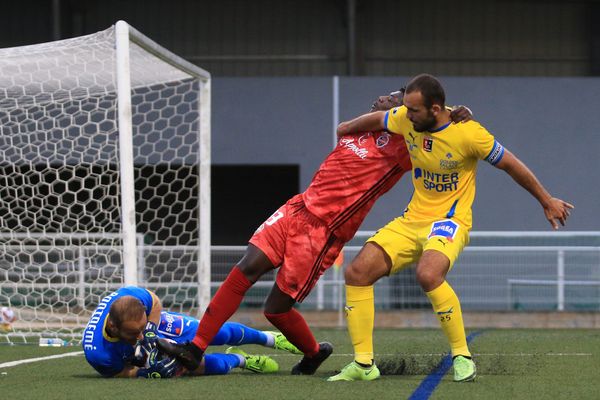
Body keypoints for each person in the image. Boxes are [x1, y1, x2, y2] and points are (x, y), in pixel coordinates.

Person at [158, 92, 474, 376]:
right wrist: (378, 118)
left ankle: (313, 353)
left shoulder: (407, 147)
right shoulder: (361, 130)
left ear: (408, 112)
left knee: (275, 309)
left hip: (323, 232)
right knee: (247, 267)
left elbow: (441, 130)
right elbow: (341, 128)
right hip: (298, 207)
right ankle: (195, 348)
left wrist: (454, 113)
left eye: (393, 97)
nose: (382, 97)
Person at [327, 74, 574, 383]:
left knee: (428, 274)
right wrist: (346, 128)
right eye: (406, 108)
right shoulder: (407, 118)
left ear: (435, 108)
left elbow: (511, 164)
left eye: (414, 110)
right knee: (357, 272)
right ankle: (364, 365)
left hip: (449, 221)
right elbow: (379, 117)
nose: (407, 114)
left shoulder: (469, 133)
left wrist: (546, 199)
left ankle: (462, 356)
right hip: (411, 220)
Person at [82, 286, 300, 378]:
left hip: (159, 324)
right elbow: (119, 372)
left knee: (216, 333)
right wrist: (146, 372)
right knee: (193, 365)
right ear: (113, 327)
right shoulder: (98, 353)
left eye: (140, 330)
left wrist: (149, 330)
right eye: (132, 334)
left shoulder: (129, 295)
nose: (138, 337)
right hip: (131, 356)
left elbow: (155, 302)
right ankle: (240, 360)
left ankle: (271, 338)